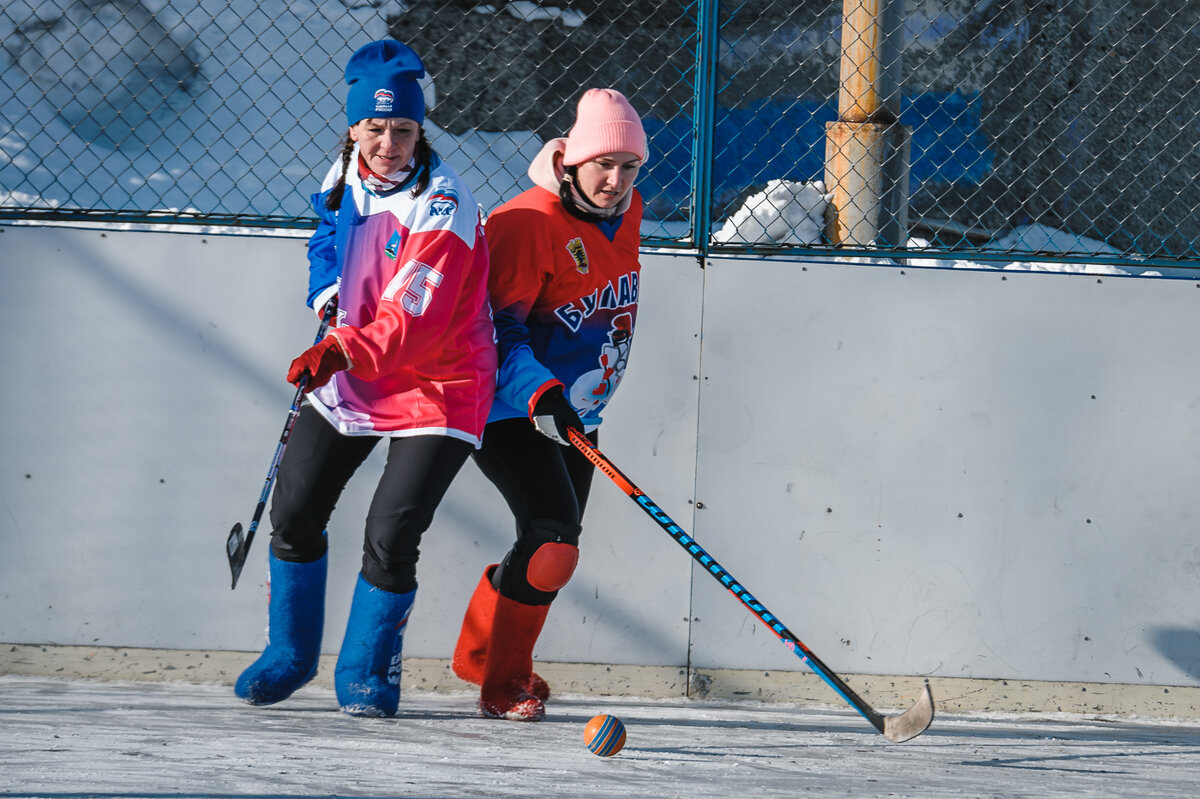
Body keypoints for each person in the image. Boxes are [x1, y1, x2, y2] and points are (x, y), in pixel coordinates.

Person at [234, 39, 496, 718]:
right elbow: (326, 238)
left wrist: (342, 347)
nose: (388, 143)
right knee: (294, 510)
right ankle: (288, 655)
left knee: (390, 530)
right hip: (356, 365)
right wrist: (329, 303)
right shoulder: (342, 173)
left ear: (420, 131)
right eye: (374, 128)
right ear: (353, 128)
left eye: (402, 129)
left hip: (439, 382)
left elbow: (417, 313)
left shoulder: (444, 204)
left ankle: (368, 672)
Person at [450, 88, 647, 721]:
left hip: (574, 417)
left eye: (629, 167)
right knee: (552, 542)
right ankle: (503, 683)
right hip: (511, 407)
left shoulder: (628, 212)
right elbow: (493, 329)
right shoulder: (525, 224)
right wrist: (541, 392)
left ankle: (482, 656)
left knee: (550, 541)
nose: (616, 181)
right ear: (571, 161)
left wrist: (571, 402)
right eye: (603, 166)